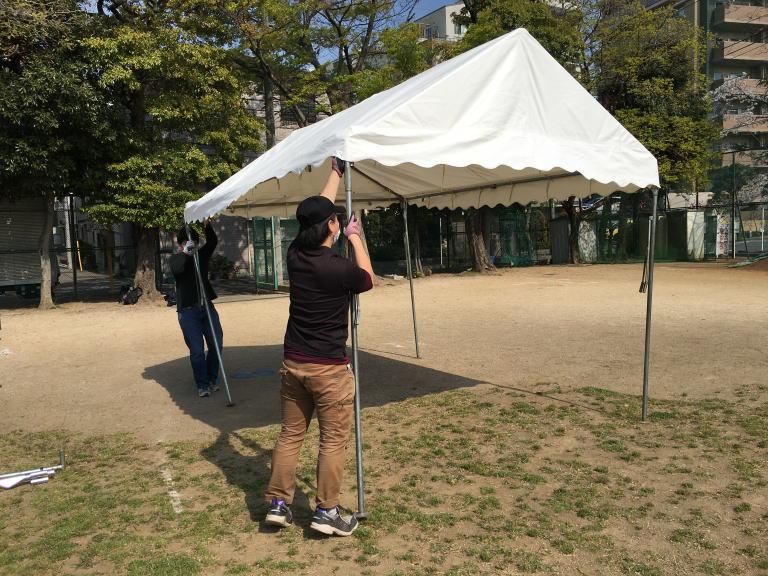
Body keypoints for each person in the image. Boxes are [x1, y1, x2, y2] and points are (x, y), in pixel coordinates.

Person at [264, 157, 374, 537]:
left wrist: (336, 173)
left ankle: (278, 504)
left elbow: (318, 210)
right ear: (331, 226)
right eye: (335, 220)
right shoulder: (338, 266)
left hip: (293, 365)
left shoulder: (295, 255)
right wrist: (354, 236)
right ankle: (326, 511)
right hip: (328, 370)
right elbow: (368, 278)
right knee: (332, 441)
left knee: (290, 435)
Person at [170, 221, 224, 398]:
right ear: (180, 244)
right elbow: (177, 269)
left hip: (206, 307)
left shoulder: (201, 256)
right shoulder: (176, 258)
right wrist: (186, 253)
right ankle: (202, 384)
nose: (191, 246)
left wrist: (206, 224)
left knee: (216, 344)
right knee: (197, 351)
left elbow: (212, 241)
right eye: (186, 243)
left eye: (194, 242)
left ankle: (211, 378)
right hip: (188, 312)